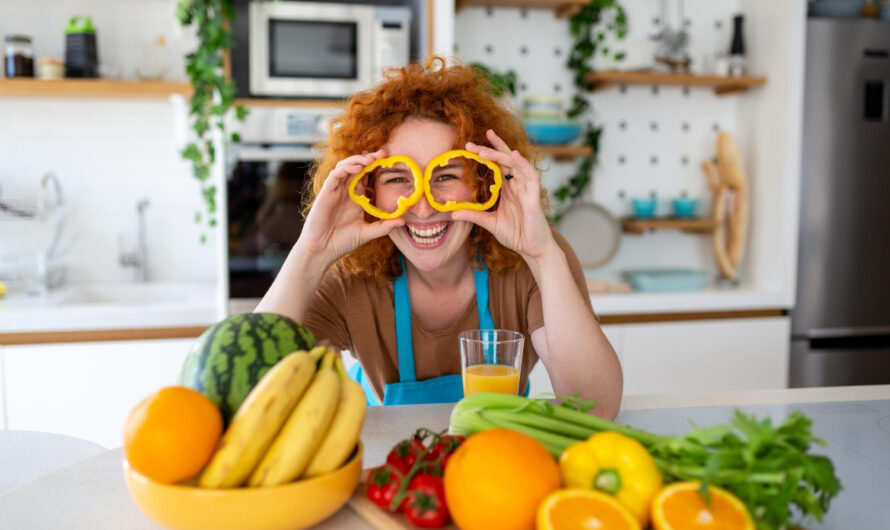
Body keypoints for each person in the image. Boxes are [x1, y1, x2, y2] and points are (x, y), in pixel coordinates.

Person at [255, 56, 622, 419]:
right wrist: (311, 252)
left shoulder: (534, 256)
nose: (424, 206)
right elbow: (252, 398)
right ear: (366, 190)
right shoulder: (347, 274)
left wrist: (543, 257)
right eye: (397, 179)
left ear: (483, 180)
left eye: (446, 175)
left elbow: (594, 407)